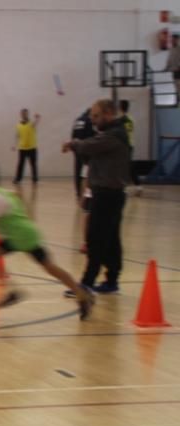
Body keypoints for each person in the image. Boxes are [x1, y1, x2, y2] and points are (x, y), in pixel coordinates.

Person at [0, 158, 94, 319]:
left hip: (21, 235)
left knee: (50, 268)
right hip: (17, 233)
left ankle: (81, 295)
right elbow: (16, 196)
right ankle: (81, 295)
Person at [61, 98, 131, 295]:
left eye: (96, 116)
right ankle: (111, 281)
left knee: (96, 238)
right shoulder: (110, 134)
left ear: (109, 113)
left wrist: (72, 143)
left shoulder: (114, 135)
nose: (93, 120)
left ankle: (87, 283)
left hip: (109, 195)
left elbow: (88, 146)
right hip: (107, 194)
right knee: (110, 239)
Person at [70, 108, 95, 199]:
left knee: (77, 171)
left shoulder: (77, 120)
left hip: (76, 149)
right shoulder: (88, 120)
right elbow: (91, 135)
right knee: (88, 173)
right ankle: (87, 194)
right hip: (85, 149)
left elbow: (72, 135)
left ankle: (78, 193)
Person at [119, 100, 142, 194]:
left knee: (125, 166)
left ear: (120, 107)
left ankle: (133, 186)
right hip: (130, 144)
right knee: (128, 165)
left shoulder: (121, 120)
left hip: (124, 145)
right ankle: (137, 186)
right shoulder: (131, 119)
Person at [13, 108, 41, 186]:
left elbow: (35, 123)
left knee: (33, 164)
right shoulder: (18, 125)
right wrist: (14, 145)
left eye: (25, 113)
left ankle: (35, 179)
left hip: (32, 147)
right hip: (22, 148)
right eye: (23, 113)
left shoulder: (31, 123)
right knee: (20, 164)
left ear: (27, 114)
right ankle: (18, 179)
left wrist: (37, 118)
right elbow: (17, 135)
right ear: (21, 114)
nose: (24, 114)